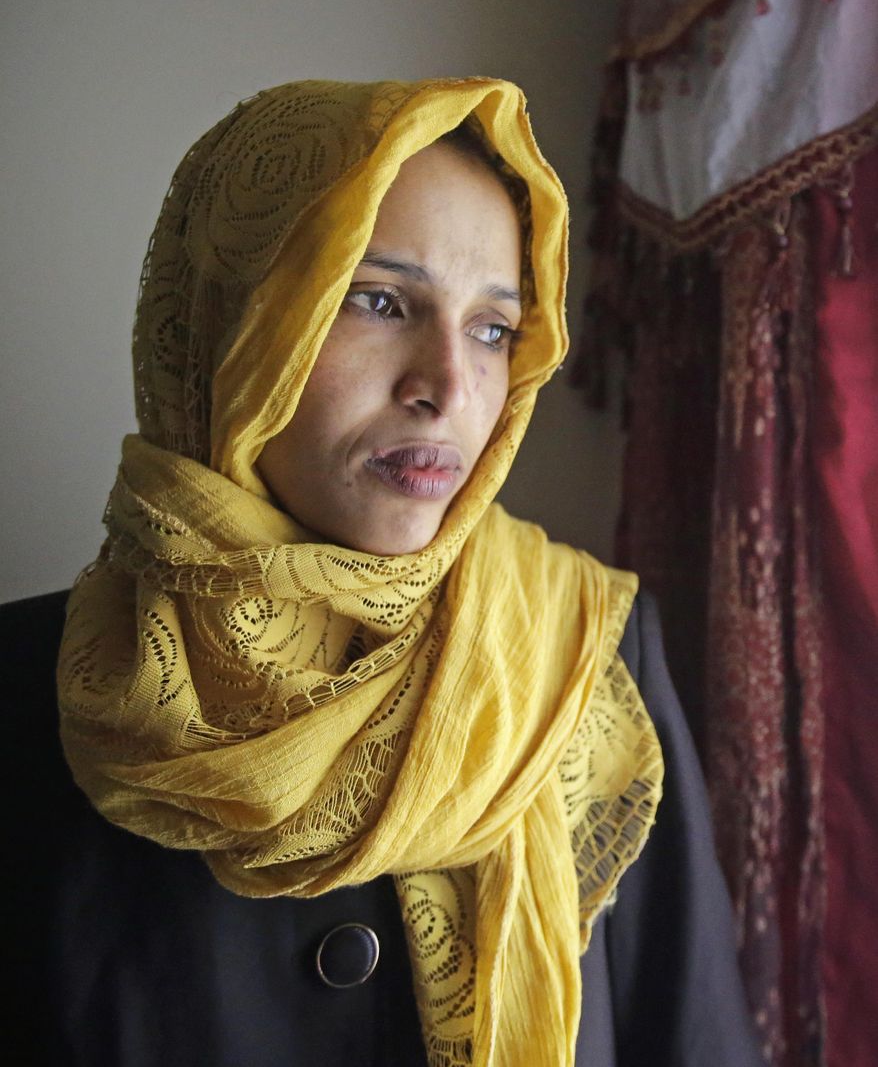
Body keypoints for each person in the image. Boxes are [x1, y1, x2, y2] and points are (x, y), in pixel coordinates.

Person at [3, 78, 761, 1066]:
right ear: (234, 323)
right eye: (378, 300)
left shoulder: (587, 658)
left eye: (493, 328)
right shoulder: (25, 687)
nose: (447, 385)